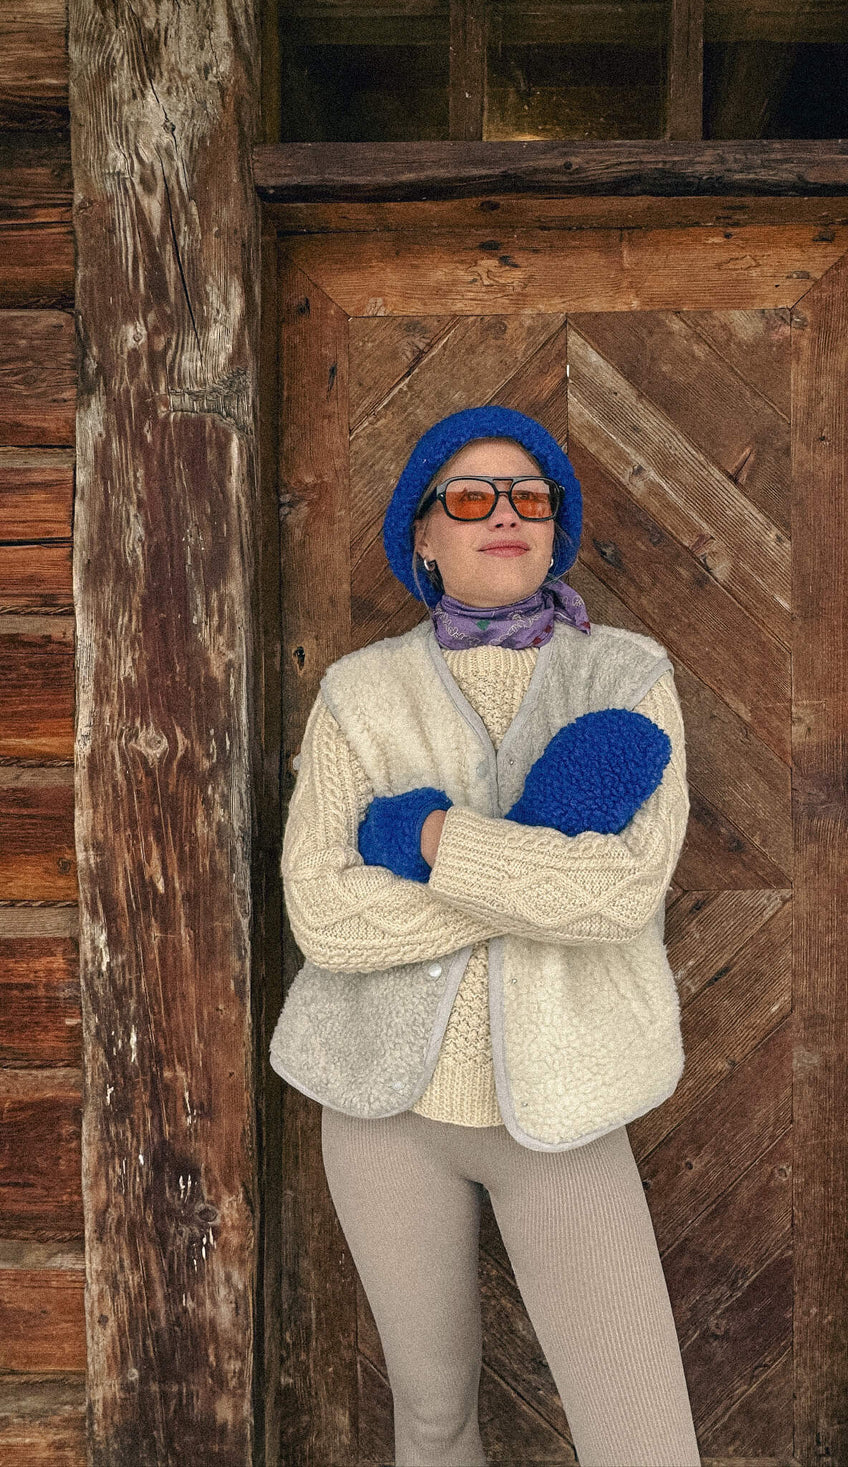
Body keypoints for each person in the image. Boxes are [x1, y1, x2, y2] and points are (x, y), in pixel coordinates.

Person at [271, 406, 701, 1466]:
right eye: (469, 496)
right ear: (422, 536)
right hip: (381, 1113)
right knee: (430, 1422)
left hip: (565, 1115)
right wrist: (527, 870)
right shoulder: (359, 695)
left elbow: (620, 897)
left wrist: (427, 839)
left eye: (529, 496)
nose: (502, 515)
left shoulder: (629, 677)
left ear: (555, 527)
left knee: (643, 1443)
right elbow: (321, 914)